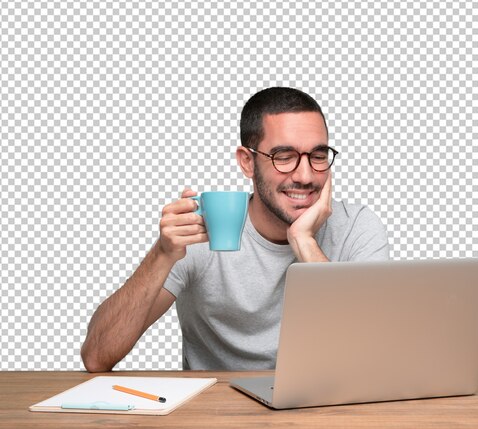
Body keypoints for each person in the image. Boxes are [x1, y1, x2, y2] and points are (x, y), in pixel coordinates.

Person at [81, 87, 389, 372]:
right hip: (216, 412)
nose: (306, 175)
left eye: (318, 156)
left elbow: (377, 356)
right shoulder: (203, 229)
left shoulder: (357, 226)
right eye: (284, 157)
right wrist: (161, 255)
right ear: (246, 162)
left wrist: (304, 240)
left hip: (322, 409)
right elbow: (97, 356)